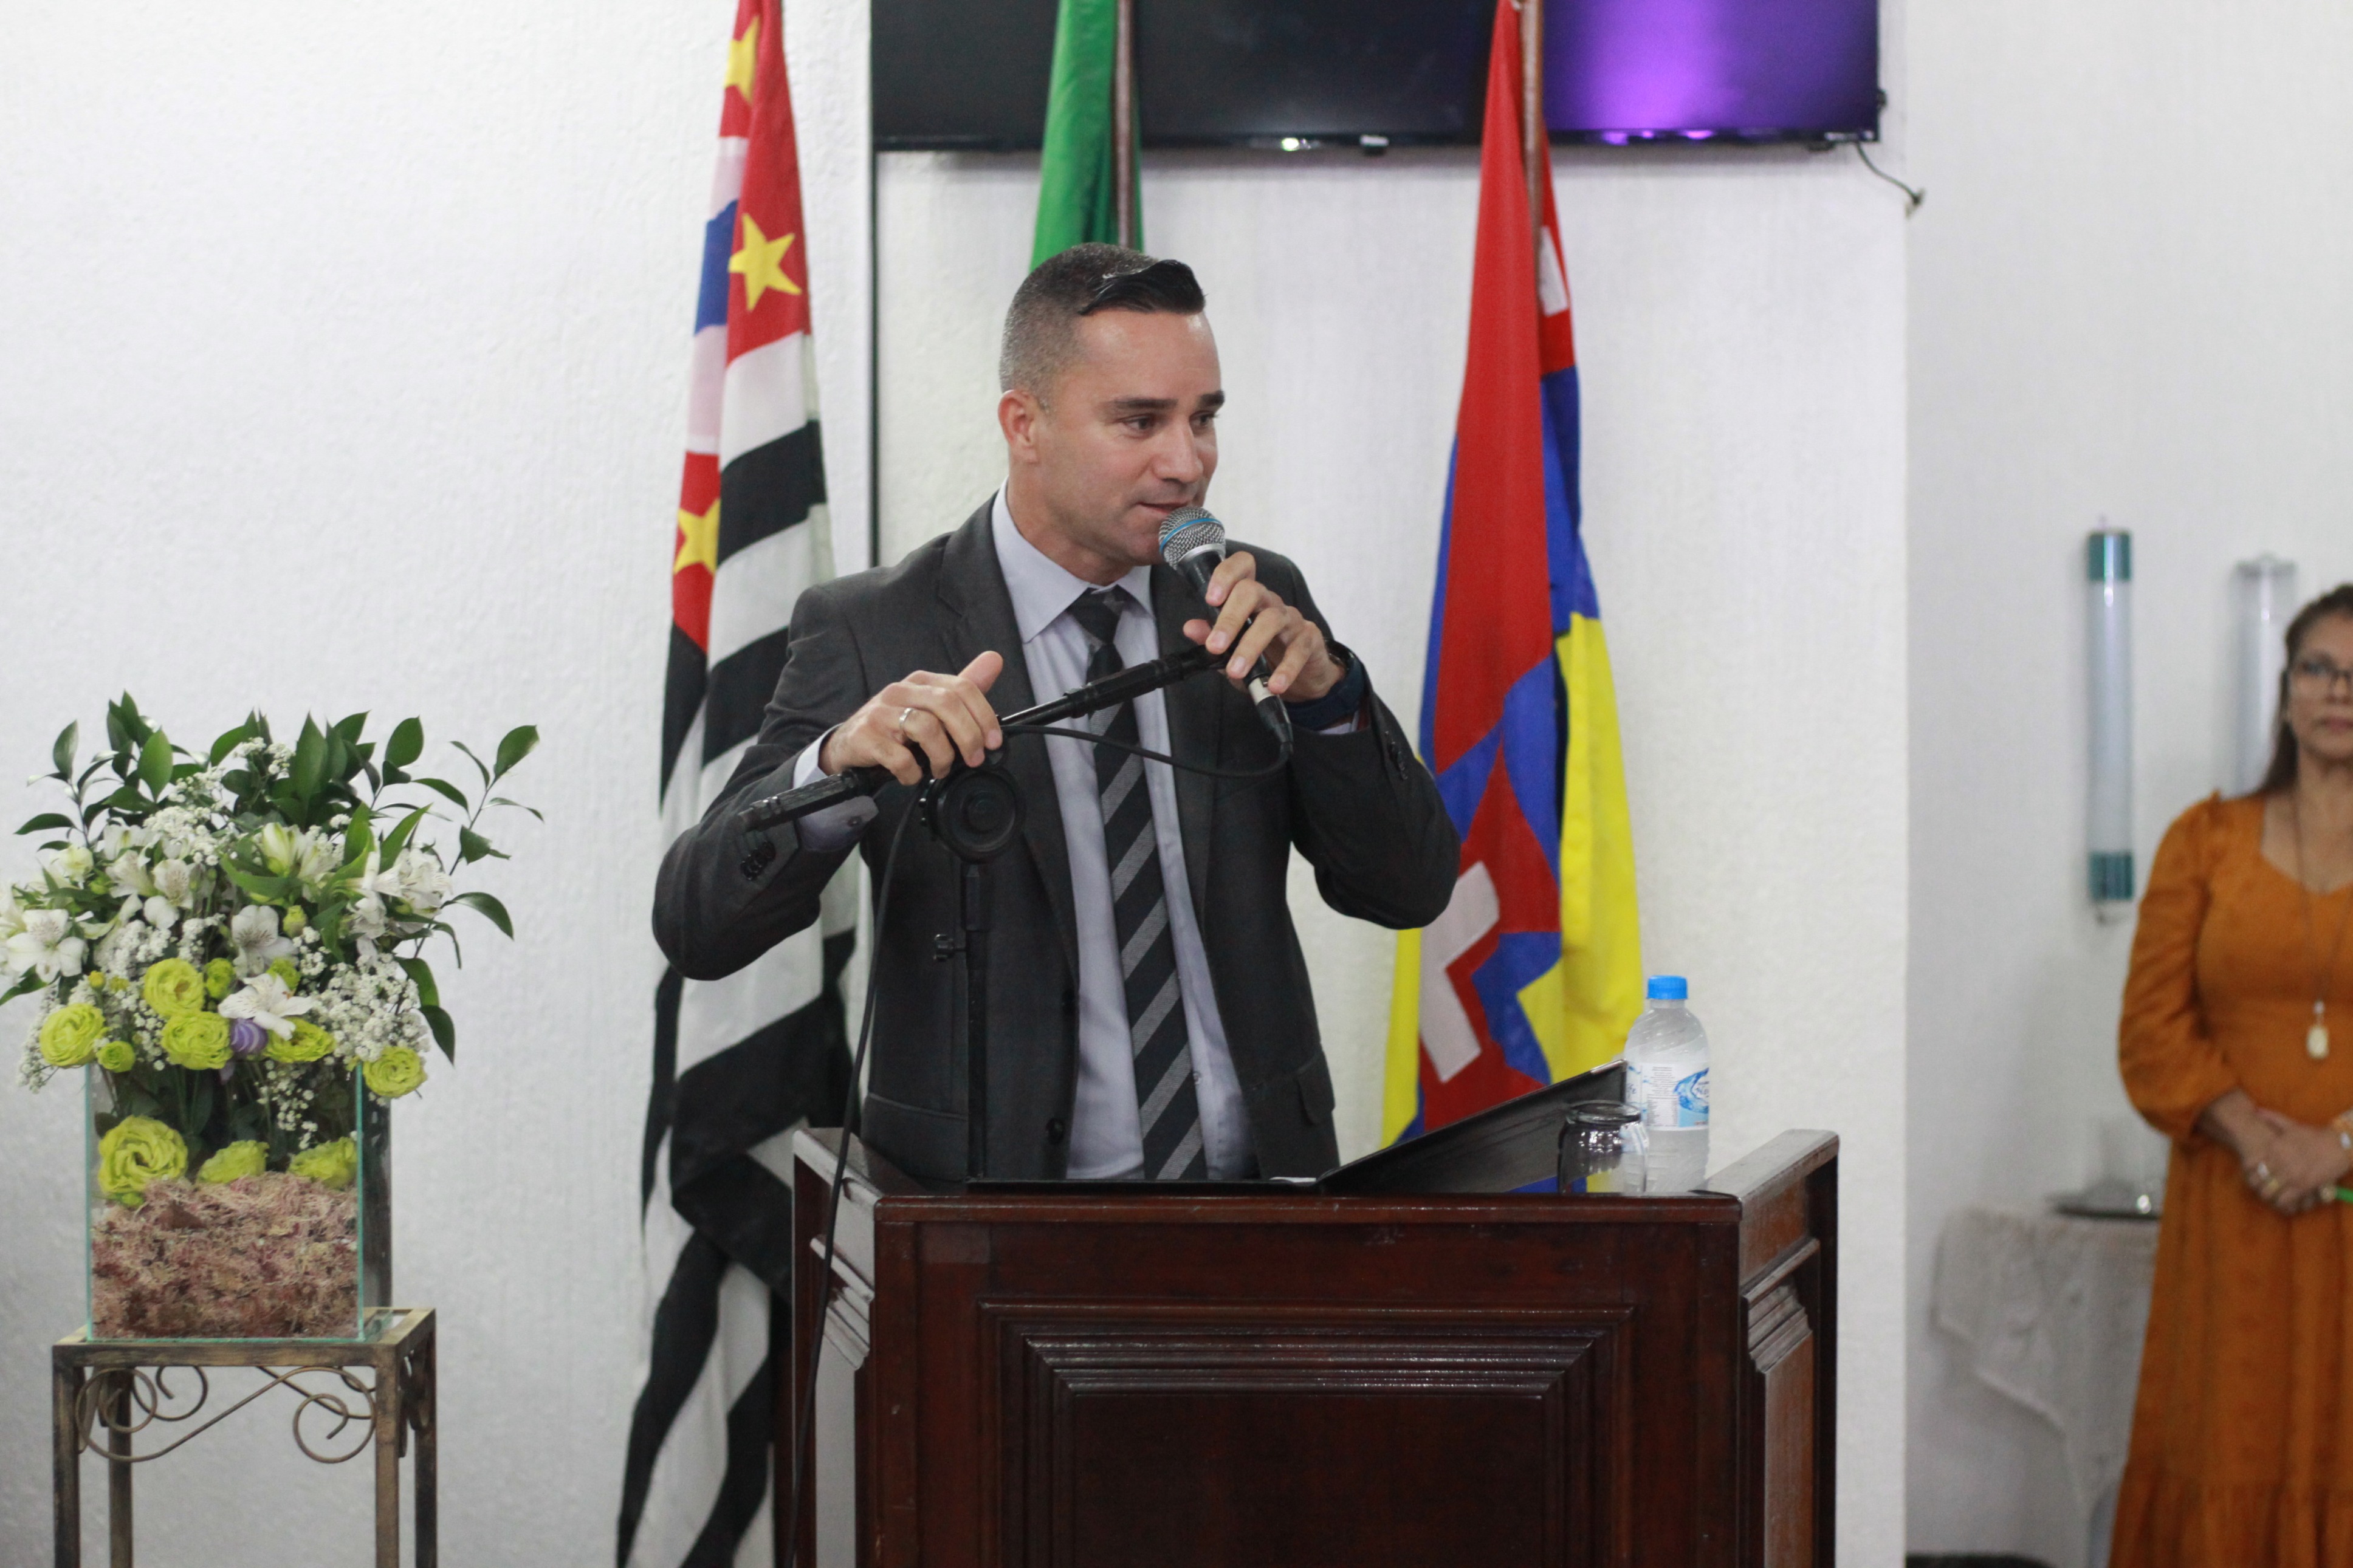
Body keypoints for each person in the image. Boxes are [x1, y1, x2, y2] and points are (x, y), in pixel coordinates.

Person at [653, 244, 1458, 1185]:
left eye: (1203, 418)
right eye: (1140, 421)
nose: (1187, 462)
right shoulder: (876, 628)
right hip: (988, 1224)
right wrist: (832, 767)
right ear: (1024, 424)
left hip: (1258, 1207)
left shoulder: (1251, 600)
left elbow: (1409, 888)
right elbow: (699, 924)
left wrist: (1328, 699)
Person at [2112, 583, 2353, 1566]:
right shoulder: (2204, 839)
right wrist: (2258, 1138)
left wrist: (2338, 1143)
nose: (2340, 690)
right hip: (2233, 1206)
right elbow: (2150, 1031)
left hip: (2349, 1197)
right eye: (2320, 668)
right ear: (2287, 689)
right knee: (2230, 1440)